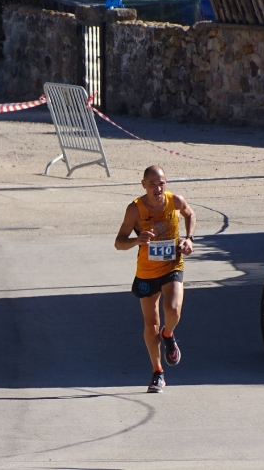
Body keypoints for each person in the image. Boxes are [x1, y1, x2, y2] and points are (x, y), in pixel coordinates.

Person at [114, 165, 196, 393]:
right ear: (143, 185)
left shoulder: (175, 201)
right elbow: (119, 242)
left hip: (172, 265)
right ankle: (158, 372)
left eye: (161, 183)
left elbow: (190, 214)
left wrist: (189, 239)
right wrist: (137, 241)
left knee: (173, 311)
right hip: (147, 272)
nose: (157, 188)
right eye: (152, 184)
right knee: (151, 325)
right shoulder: (135, 209)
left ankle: (168, 334)